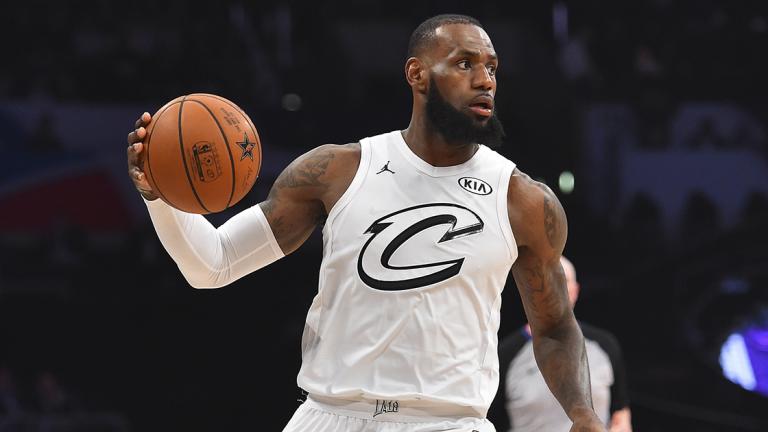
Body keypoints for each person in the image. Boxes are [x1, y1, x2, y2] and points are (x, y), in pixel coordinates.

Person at [126, 14, 606, 432]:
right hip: (327, 414)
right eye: (464, 63)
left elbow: (556, 328)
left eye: (492, 68)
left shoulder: (522, 200)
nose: (485, 80)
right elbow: (212, 265)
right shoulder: (337, 171)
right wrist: (159, 197)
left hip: (446, 421)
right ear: (417, 74)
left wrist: (582, 413)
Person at [489, 256, 632, 432]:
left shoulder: (605, 345)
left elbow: (621, 415)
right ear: (531, 289)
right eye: (546, 279)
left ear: (575, 290)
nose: (555, 287)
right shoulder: (505, 354)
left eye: (563, 280)